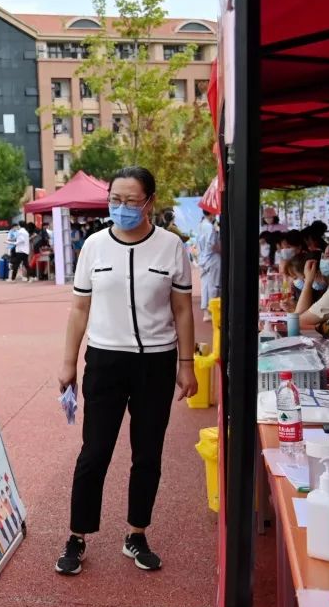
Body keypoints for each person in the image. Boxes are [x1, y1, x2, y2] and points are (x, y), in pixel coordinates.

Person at [55, 166, 197, 575]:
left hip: (157, 361)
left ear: (150, 202)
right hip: (104, 360)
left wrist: (186, 365)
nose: (121, 208)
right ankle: (77, 536)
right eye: (114, 200)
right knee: (94, 452)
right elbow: (79, 308)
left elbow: (183, 309)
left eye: (131, 201)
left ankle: (136, 532)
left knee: (147, 452)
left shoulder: (172, 247)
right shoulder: (94, 247)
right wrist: (68, 362)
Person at [195, 211, 220, 320]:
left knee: (205, 285)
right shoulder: (209, 226)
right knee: (213, 285)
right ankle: (213, 311)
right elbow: (211, 244)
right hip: (211, 258)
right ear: (212, 213)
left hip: (202, 259)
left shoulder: (200, 225)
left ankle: (206, 312)